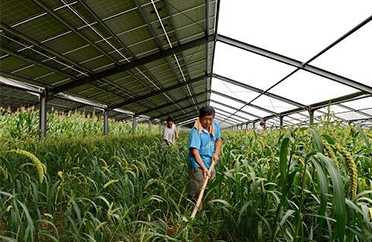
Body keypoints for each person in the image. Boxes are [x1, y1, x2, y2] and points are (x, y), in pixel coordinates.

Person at [188, 106, 222, 205]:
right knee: (198, 188)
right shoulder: (195, 131)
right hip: (197, 164)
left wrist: (216, 153)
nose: (208, 122)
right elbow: (195, 152)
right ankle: (198, 212)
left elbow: (218, 140)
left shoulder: (214, 125)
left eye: (210, 119)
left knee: (211, 186)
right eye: (205, 119)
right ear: (200, 117)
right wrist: (203, 168)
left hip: (210, 161)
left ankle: (210, 208)